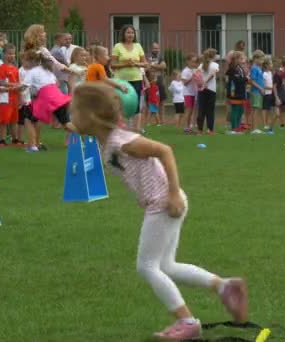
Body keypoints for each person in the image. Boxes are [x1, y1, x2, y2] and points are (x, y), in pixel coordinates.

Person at [70, 82, 248, 340]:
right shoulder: (106, 138)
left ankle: (187, 321)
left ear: (91, 116)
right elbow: (75, 126)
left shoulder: (124, 142)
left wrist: (173, 193)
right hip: (161, 203)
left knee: (147, 266)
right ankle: (225, 287)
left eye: (74, 110)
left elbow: (165, 150)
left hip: (164, 203)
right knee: (167, 266)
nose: (71, 117)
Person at [21, 49, 76, 134]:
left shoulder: (32, 72)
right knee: (66, 123)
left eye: (24, 61)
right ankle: (88, 133)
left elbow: (23, 87)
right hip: (58, 98)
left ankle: (33, 145)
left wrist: (11, 88)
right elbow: (56, 84)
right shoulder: (47, 70)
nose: (23, 63)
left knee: (30, 119)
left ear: (32, 61)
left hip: (48, 99)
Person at [111, 24, 148, 132]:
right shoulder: (117, 46)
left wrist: (136, 63)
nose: (130, 35)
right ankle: (122, 129)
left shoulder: (138, 46)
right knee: (121, 104)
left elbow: (145, 64)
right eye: (128, 32)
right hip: (121, 81)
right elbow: (112, 64)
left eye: (132, 32)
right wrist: (126, 64)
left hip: (136, 79)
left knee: (135, 105)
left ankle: (136, 130)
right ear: (123, 34)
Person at [0, 43, 21, 147]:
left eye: (13, 54)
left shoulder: (15, 68)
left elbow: (18, 82)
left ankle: (15, 139)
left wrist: (19, 88)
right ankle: (2, 140)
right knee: (4, 120)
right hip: (5, 98)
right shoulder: (1, 67)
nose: (11, 56)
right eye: (9, 53)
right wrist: (14, 85)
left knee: (14, 120)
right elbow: (1, 82)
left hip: (14, 97)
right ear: (4, 54)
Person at [197, 48, 219, 135]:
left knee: (201, 110)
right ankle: (210, 130)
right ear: (213, 56)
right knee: (210, 110)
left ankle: (200, 130)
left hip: (201, 90)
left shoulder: (201, 65)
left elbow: (197, 76)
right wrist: (205, 82)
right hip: (211, 90)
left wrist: (201, 83)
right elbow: (213, 74)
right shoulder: (214, 65)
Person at [226, 51, 248, 133]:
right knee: (235, 109)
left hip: (241, 92)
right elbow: (237, 80)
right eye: (241, 58)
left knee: (241, 110)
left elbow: (241, 78)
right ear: (236, 59)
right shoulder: (233, 69)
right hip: (234, 92)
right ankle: (234, 128)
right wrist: (246, 79)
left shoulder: (239, 68)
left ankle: (238, 127)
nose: (243, 60)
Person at [181, 53, 200, 134]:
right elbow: (184, 83)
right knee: (188, 111)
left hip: (194, 93)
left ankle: (190, 127)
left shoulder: (194, 70)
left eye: (195, 62)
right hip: (188, 93)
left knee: (192, 111)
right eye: (192, 62)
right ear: (187, 61)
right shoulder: (185, 71)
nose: (194, 64)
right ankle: (186, 127)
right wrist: (192, 77)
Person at [148, 42, 167, 125]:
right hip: (150, 82)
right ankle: (147, 121)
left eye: (157, 48)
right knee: (149, 102)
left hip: (160, 81)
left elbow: (163, 66)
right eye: (154, 48)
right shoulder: (148, 57)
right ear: (151, 49)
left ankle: (162, 120)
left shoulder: (160, 57)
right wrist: (157, 66)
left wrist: (152, 66)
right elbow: (147, 67)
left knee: (162, 101)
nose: (156, 50)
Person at [249, 50, 266, 134]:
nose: (262, 62)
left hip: (259, 91)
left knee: (257, 109)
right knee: (255, 109)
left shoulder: (259, 68)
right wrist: (260, 88)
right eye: (261, 59)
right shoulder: (254, 68)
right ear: (256, 59)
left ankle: (255, 127)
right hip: (256, 91)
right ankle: (254, 128)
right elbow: (252, 81)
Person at [261, 58, 274, 132]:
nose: (272, 65)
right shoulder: (264, 74)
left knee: (269, 109)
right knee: (264, 109)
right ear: (266, 65)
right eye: (270, 64)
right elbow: (263, 85)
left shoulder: (270, 73)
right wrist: (270, 88)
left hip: (270, 93)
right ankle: (264, 123)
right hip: (266, 93)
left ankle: (267, 122)